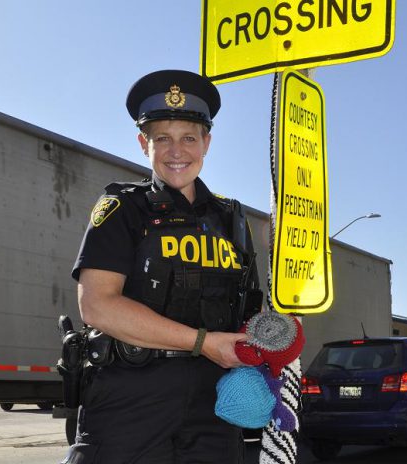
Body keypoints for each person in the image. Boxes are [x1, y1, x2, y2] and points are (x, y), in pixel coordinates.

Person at [61, 70, 261, 464]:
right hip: (130, 401)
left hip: (214, 405)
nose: (176, 151)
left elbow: (247, 312)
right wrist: (203, 342)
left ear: (207, 142)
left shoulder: (231, 219)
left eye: (189, 137)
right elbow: (98, 305)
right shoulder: (122, 209)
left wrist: (271, 340)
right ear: (143, 144)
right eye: (162, 138)